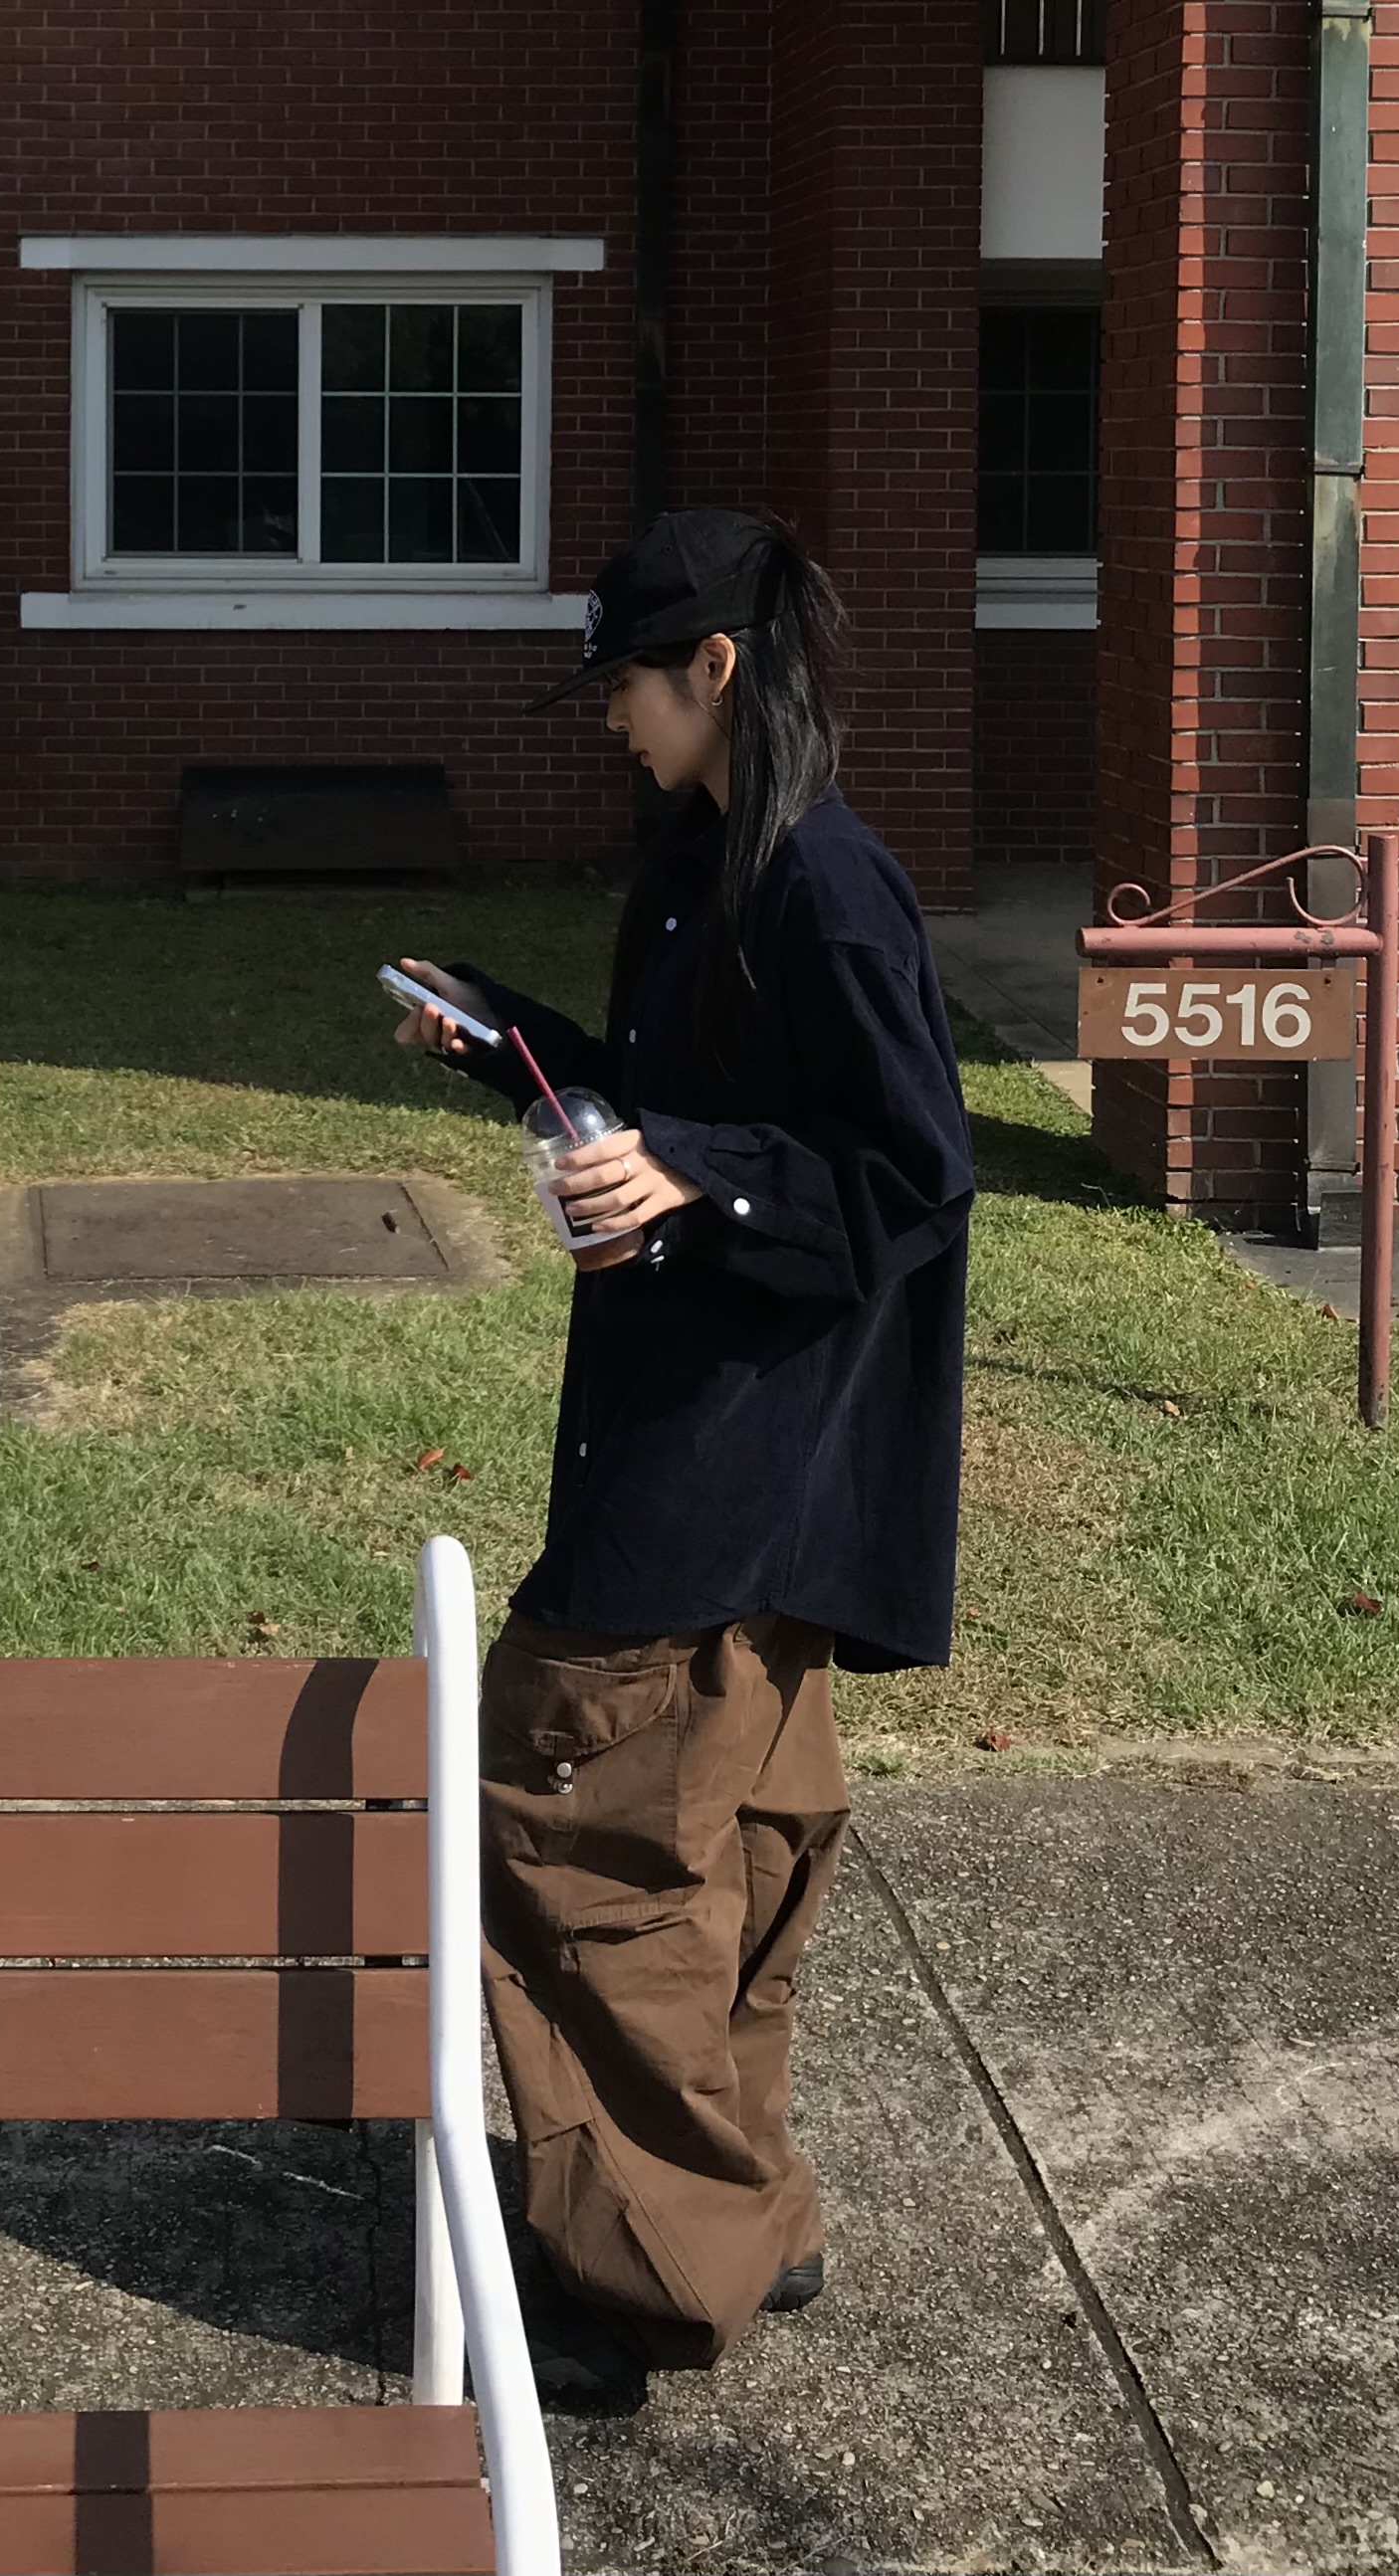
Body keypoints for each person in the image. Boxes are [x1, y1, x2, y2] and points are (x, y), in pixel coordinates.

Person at [393, 506, 973, 2408]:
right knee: (718, 1848)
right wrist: (514, 1045)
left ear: (715, 669)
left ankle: (648, 2279)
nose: (609, 720)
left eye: (627, 686)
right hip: (710, 1444)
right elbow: (681, 1116)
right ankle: (749, 2211)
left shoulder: (825, 885)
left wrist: (695, 1178)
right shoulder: (698, 863)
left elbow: (909, 1176)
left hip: (733, 1465)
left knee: (573, 1838)